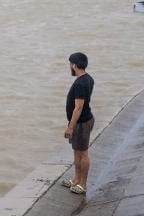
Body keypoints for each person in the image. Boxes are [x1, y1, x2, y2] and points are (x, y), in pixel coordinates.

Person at [61, 52, 95, 195]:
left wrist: (70, 126)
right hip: (82, 121)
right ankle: (76, 179)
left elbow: (79, 107)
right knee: (77, 151)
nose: (70, 66)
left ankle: (83, 185)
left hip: (81, 123)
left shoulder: (81, 83)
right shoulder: (88, 78)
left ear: (74, 65)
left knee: (83, 153)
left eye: (70, 63)